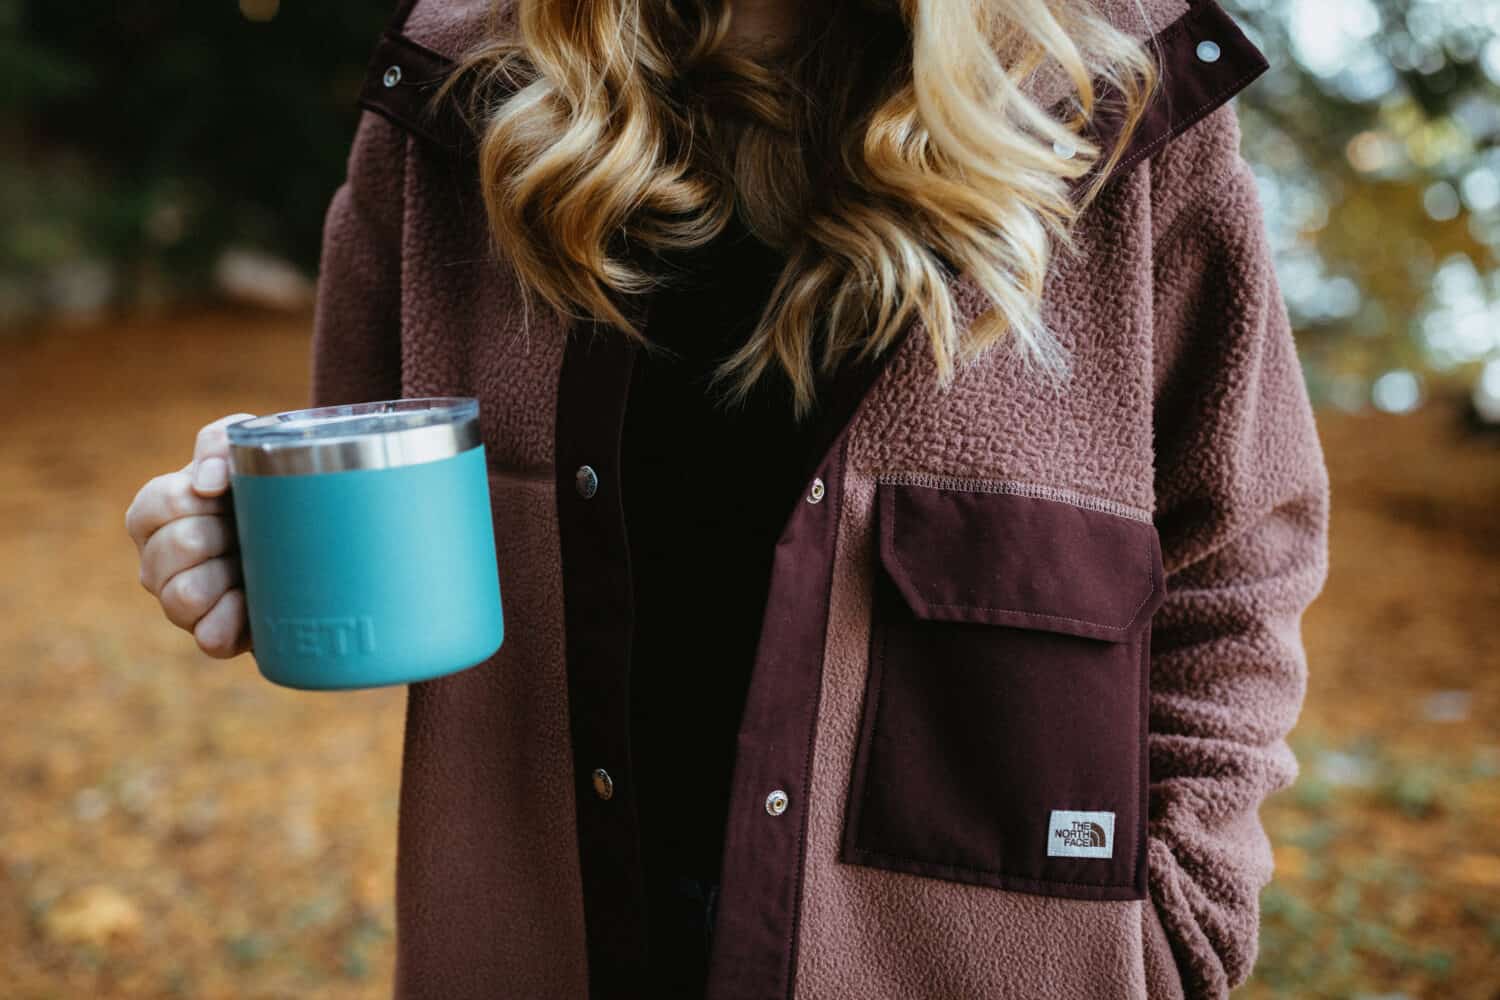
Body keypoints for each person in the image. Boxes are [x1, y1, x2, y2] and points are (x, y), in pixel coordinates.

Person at [124, 0, 1330, 997]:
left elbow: (1236, 569)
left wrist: (1181, 922)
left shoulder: (1124, 103)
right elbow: (377, 469)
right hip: (555, 943)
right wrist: (244, 526)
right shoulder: (450, 103)